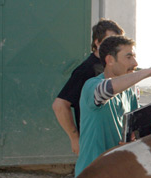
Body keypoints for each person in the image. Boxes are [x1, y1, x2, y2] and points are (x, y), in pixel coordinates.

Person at [75, 35, 151, 177]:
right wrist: (147, 72)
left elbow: (137, 130)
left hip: (117, 175)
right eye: (128, 57)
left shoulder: (130, 92)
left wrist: (134, 143)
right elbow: (107, 89)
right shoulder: (91, 86)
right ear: (109, 60)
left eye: (134, 56)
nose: (135, 62)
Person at [53, 19, 124, 156]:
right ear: (97, 42)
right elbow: (59, 105)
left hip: (111, 143)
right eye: (109, 41)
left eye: (117, 42)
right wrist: (75, 139)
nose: (113, 46)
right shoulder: (87, 70)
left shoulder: (111, 68)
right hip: (93, 146)